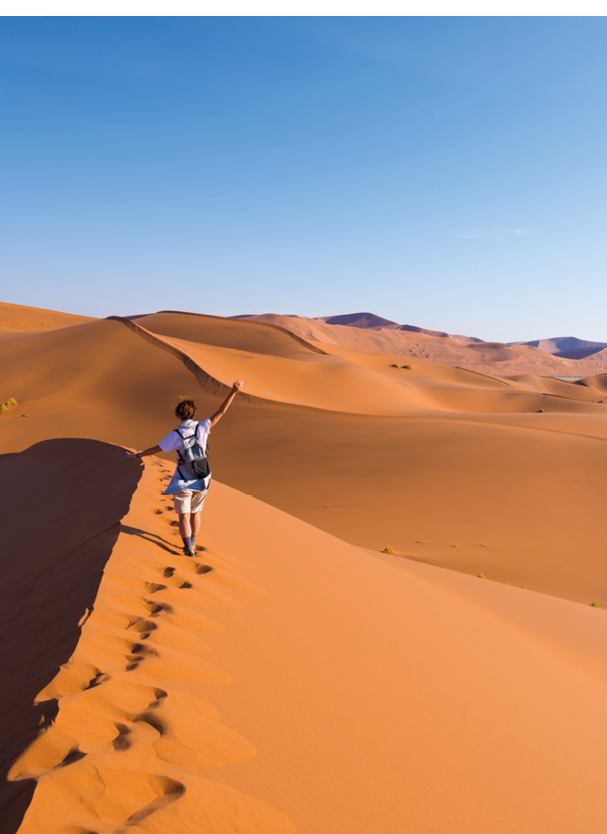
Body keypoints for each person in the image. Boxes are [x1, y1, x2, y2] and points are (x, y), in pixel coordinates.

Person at [131, 380, 244, 556]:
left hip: (182, 480)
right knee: (195, 513)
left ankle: (187, 548)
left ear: (178, 415)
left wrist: (138, 455)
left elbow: (155, 449)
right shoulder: (202, 426)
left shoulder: (175, 435)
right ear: (194, 413)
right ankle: (193, 542)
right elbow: (220, 412)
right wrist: (233, 392)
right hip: (203, 477)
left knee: (183, 516)